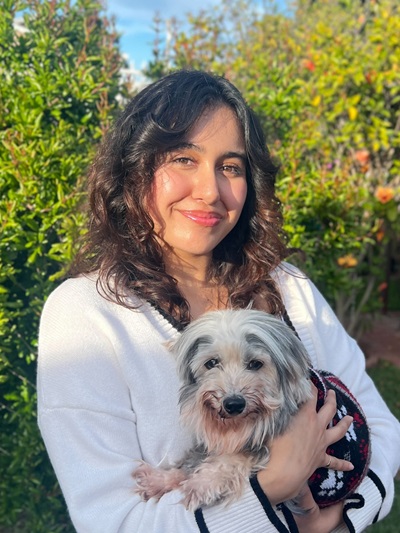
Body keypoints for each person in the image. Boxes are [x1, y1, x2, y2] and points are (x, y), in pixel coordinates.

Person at [37, 69, 400, 533]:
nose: (210, 190)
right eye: (183, 159)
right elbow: (113, 520)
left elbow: (383, 430)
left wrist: (337, 523)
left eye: (230, 166)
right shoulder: (84, 314)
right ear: (133, 168)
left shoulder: (290, 288)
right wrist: (272, 485)